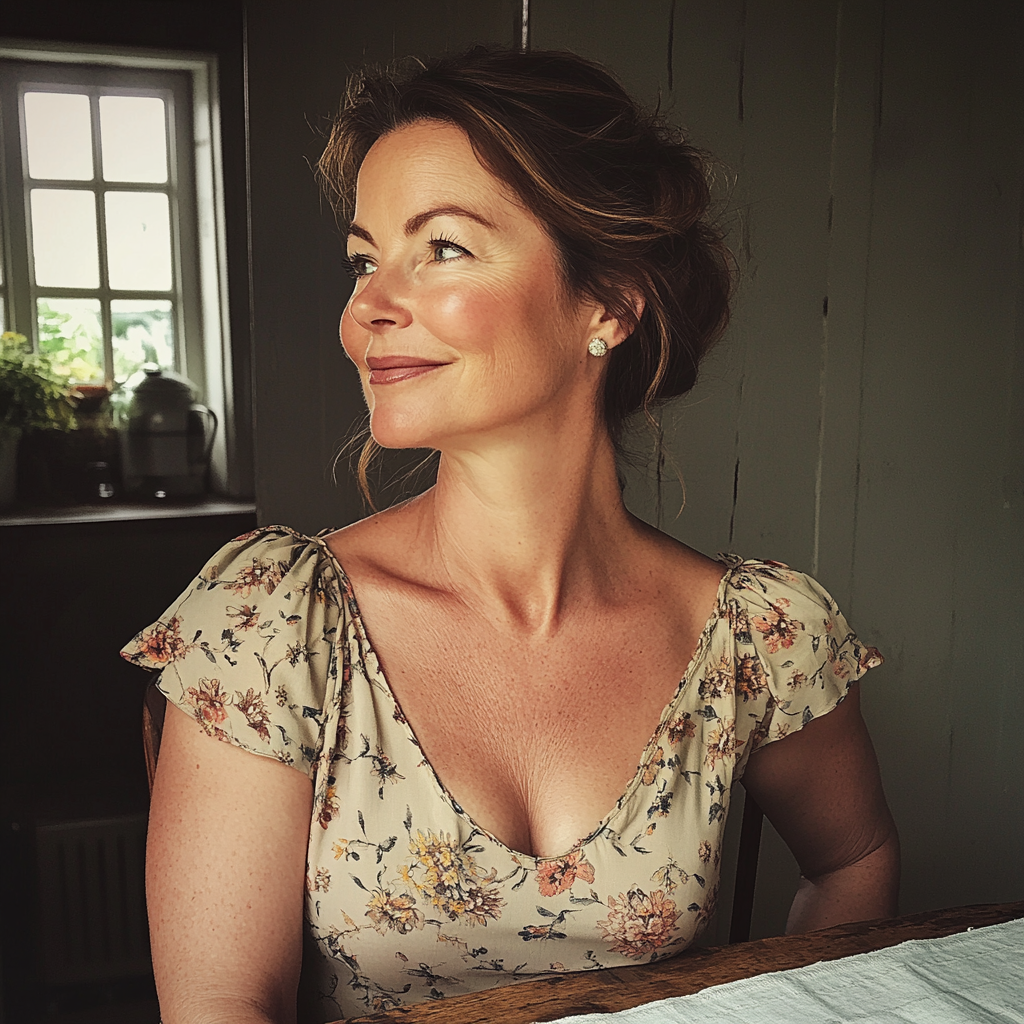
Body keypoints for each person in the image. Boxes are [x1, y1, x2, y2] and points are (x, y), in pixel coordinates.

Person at [122, 46, 899, 1024]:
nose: (366, 308)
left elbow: (855, 859)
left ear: (609, 302)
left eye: (441, 247)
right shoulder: (270, 621)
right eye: (365, 259)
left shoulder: (762, 633)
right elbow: (223, 1008)